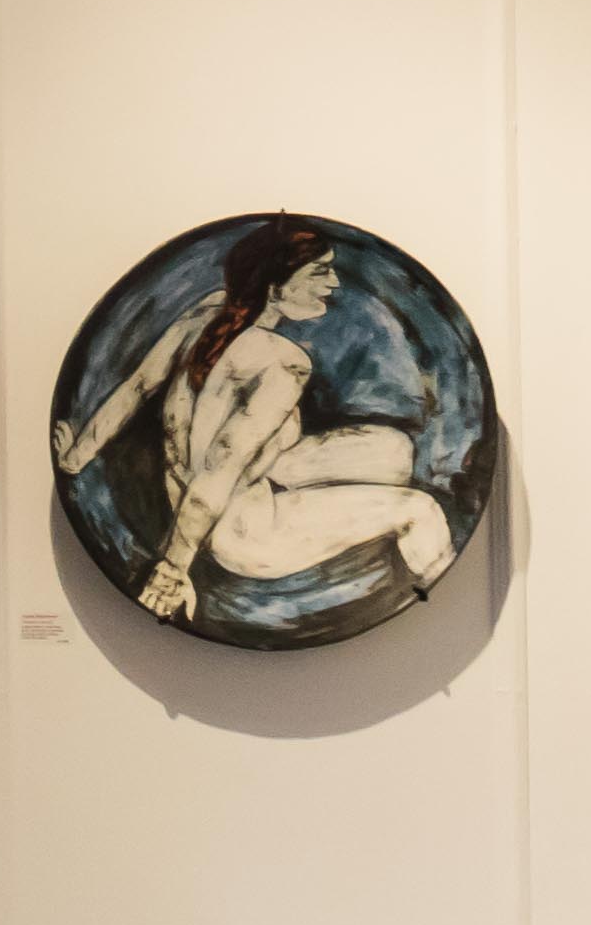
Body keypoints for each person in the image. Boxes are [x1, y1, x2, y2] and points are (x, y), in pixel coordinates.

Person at [51, 219, 452, 627]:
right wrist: (173, 568)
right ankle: (438, 624)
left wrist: (75, 456)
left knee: (395, 451)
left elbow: (138, 387)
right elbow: (220, 466)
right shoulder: (283, 364)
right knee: (421, 510)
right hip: (245, 532)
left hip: (233, 487)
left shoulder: (210, 310)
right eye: (319, 271)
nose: (333, 282)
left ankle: (304, 483)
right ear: (274, 287)